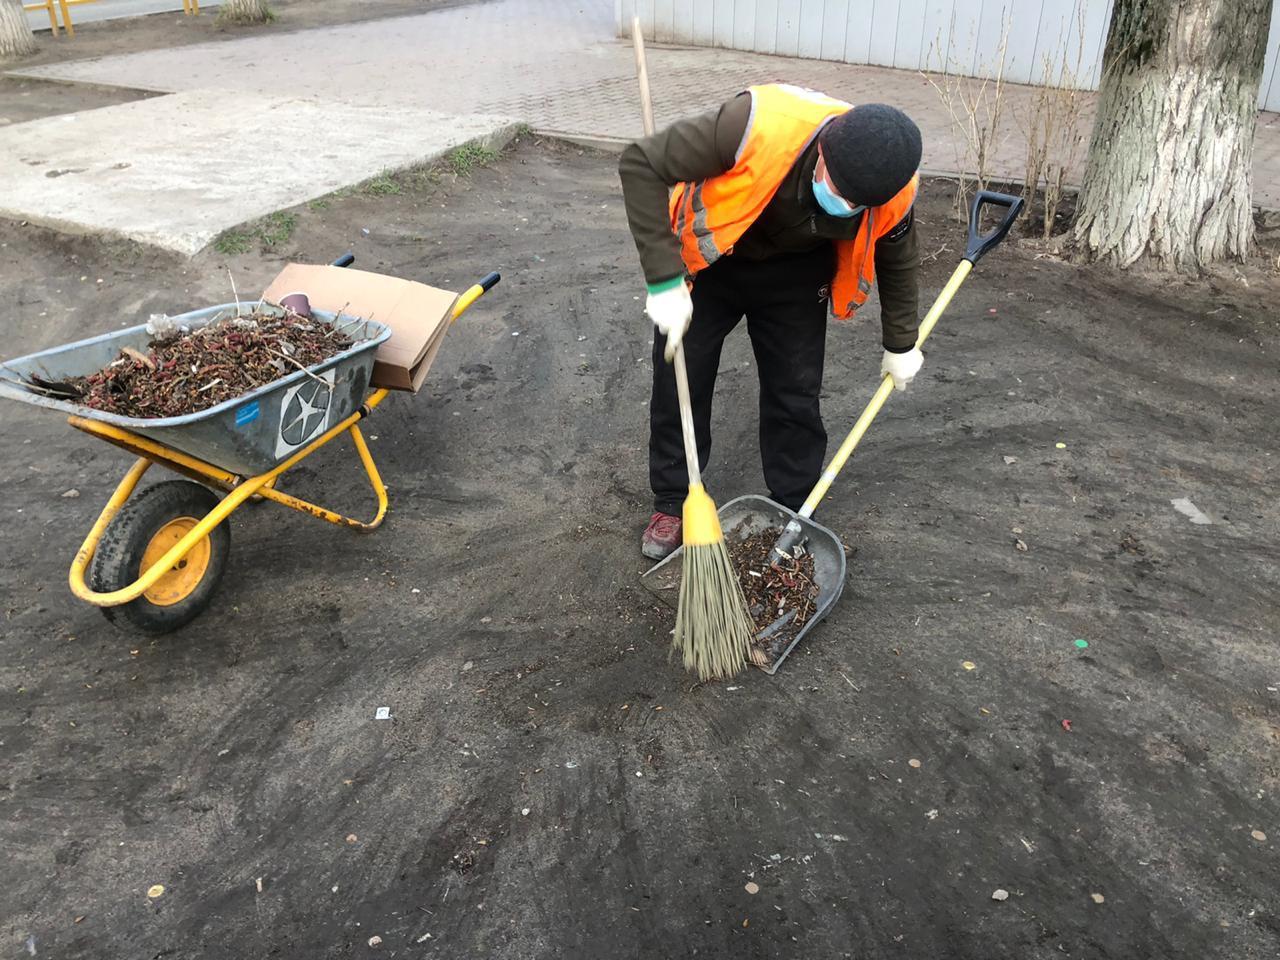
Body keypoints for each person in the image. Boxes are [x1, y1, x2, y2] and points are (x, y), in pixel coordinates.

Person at [619, 83, 925, 560]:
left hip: (797, 273)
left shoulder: (892, 185)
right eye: (840, 190)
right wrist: (662, 280)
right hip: (716, 259)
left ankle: (794, 508)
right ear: (823, 152)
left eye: (857, 203)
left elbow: (897, 256)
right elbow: (641, 163)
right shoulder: (751, 126)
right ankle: (673, 501)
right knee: (682, 374)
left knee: (796, 390)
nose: (845, 204)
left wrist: (902, 343)